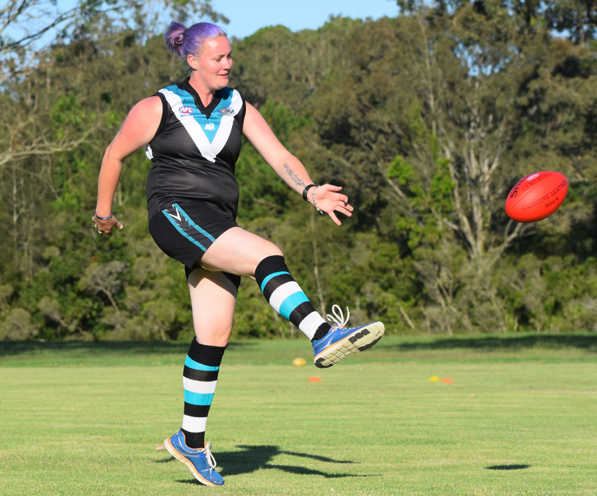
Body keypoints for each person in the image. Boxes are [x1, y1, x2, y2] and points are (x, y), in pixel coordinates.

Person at [92, 21, 385, 487]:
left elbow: (279, 154)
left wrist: (311, 191)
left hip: (217, 223)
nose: (227, 64)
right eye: (218, 58)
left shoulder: (238, 106)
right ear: (192, 61)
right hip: (173, 213)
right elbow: (113, 155)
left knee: (214, 332)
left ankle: (190, 440)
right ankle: (321, 333)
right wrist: (103, 214)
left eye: (230, 56)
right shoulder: (157, 107)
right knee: (266, 254)